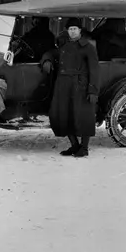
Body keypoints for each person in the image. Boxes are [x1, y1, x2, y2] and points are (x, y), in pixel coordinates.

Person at [41, 17, 100, 157]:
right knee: (64, 114)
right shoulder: (64, 46)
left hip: (81, 86)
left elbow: (95, 70)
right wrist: (47, 60)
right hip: (63, 85)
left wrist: (93, 90)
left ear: (80, 30)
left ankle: (84, 148)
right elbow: (51, 53)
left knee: (84, 115)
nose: (72, 32)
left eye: (75, 29)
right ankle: (74, 145)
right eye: (70, 29)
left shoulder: (88, 47)